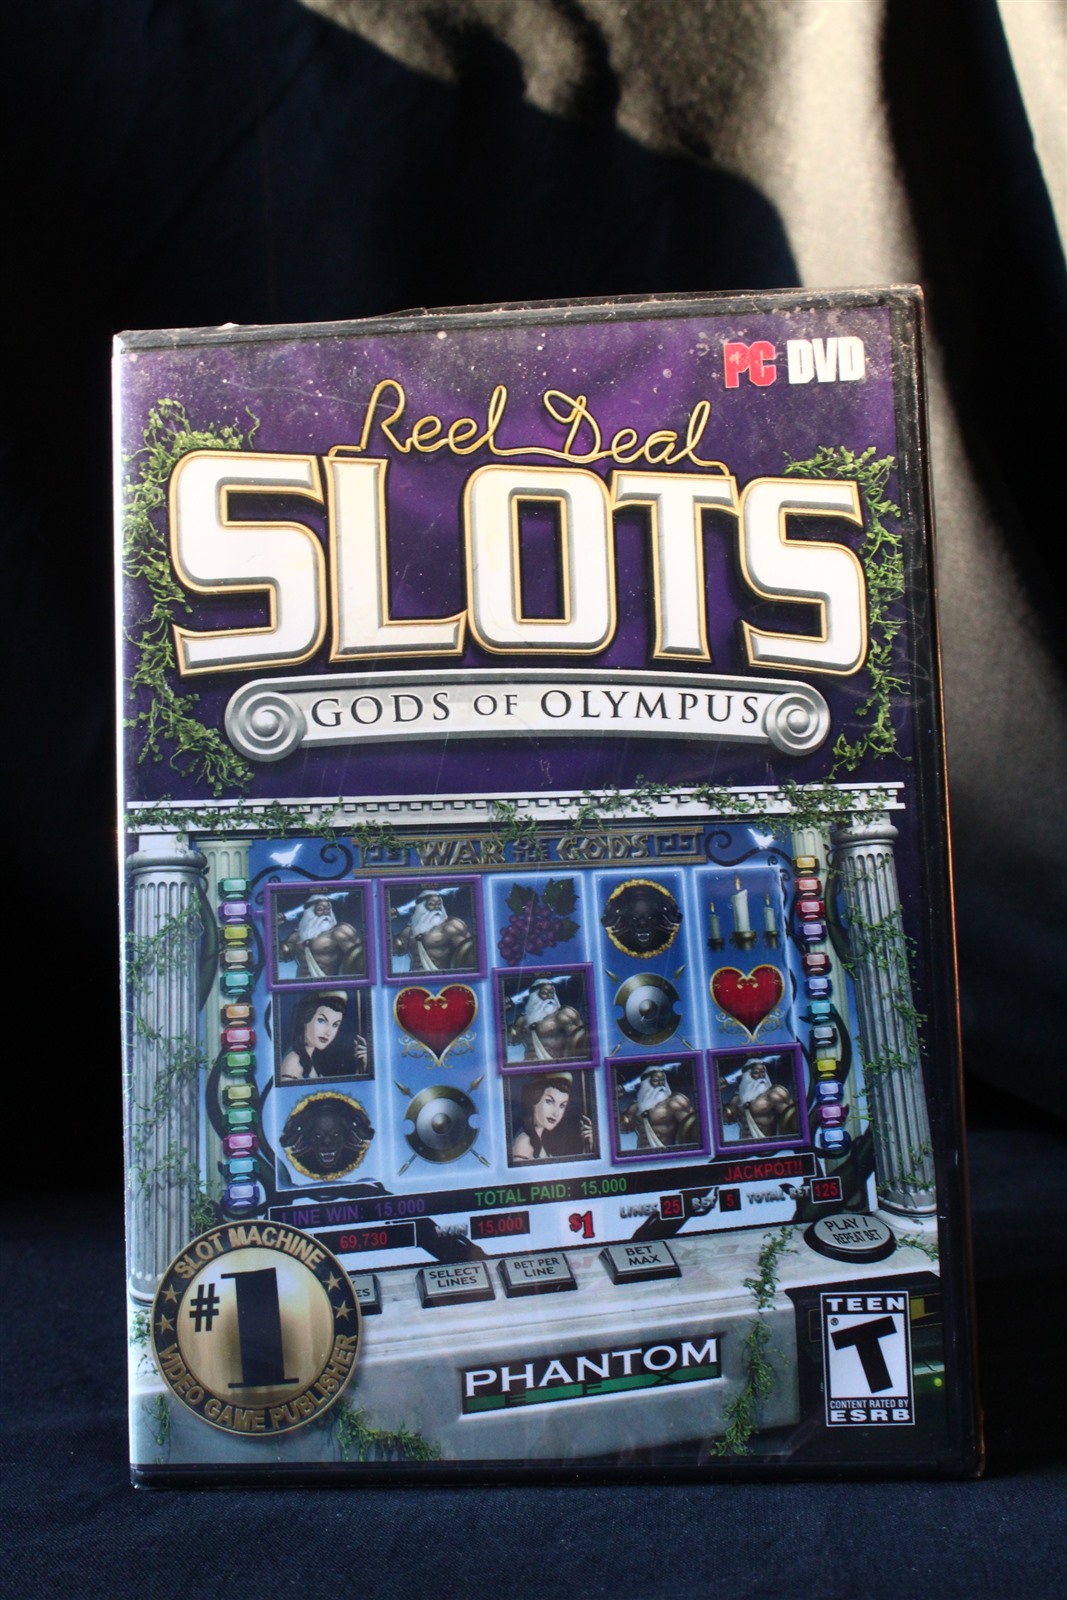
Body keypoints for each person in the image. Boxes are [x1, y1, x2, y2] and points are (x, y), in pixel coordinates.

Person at [279, 991, 368, 1081]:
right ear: (306, 1018)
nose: (328, 1032)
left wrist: (361, 1069)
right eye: (322, 1020)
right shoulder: (293, 1061)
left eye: (335, 1025)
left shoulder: (308, 1058)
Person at [277, 891, 364, 979]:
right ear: (309, 913)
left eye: (328, 909)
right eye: (320, 909)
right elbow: (280, 955)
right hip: (302, 983)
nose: (325, 912)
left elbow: (359, 960)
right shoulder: (295, 937)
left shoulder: (340, 932)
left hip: (330, 984)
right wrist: (273, 926)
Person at [511, 1072, 593, 1162]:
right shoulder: (524, 1142)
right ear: (534, 1099)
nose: (556, 1113)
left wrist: (587, 1148)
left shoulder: (539, 1141)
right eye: (549, 1101)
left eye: (562, 1106)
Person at [392, 886, 475, 972]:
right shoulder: (408, 932)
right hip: (415, 978)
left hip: (442, 977)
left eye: (438, 904)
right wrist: (386, 920)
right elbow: (393, 950)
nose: (437, 908)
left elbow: (468, 954)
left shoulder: (451, 926)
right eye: (431, 904)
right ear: (421, 908)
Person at [618, 1063, 699, 1150]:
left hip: (667, 1154)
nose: (661, 1084)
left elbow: (692, 1128)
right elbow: (623, 1127)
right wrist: (614, 1100)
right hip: (643, 1154)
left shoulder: (675, 1102)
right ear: (646, 1084)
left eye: (663, 1080)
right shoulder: (635, 1108)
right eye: (656, 1080)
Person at [508, 977, 589, 1062]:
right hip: (529, 1066)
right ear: (534, 996)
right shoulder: (522, 1020)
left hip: (556, 1067)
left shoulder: (564, 1014)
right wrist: (502, 1009)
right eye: (544, 993)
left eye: (552, 993)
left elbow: (581, 1042)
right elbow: (511, 1040)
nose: (549, 996)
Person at [723, 1054, 797, 1140]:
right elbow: (726, 1119)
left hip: (767, 1144)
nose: (762, 1076)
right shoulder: (736, 1100)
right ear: (747, 1075)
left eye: (763, 1072)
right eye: (756, 1072)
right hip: (744, 1144)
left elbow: (792, 1118)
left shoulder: (774, 1094)